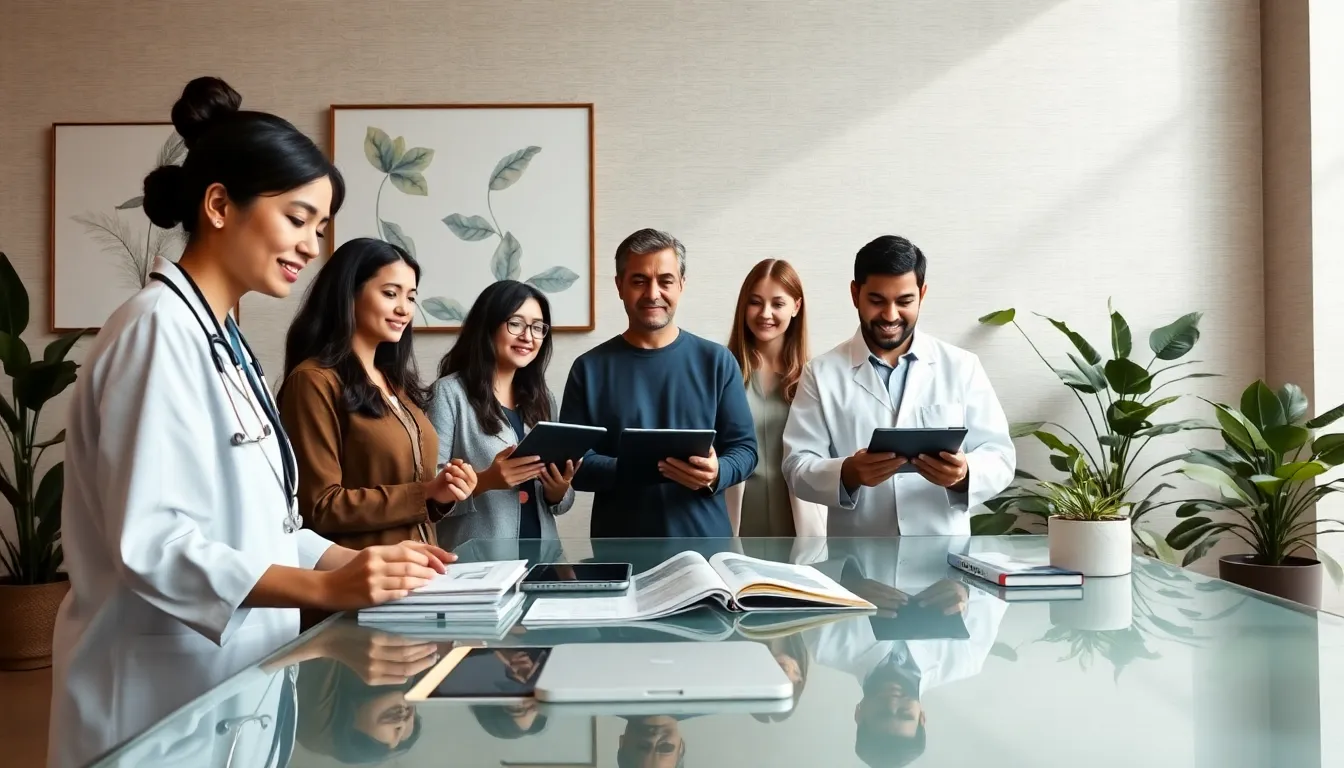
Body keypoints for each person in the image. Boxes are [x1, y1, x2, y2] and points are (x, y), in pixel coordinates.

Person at [48, 76, 453, 768]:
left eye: (319, 230)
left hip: (230, 683)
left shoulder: (225, 343)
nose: (309, 246)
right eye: (297, 219)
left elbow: (271, 528)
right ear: (217, 205)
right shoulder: (156, 332)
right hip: (152, 698)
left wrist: (361, 564)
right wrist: (328, 588)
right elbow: (156, 543)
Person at [782, 235, 1015, 537]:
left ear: (922, 294)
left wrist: (964, 473)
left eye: (904, 301)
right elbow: (796, 467)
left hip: (944, 559)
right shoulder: (822, 373)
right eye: (877, 301)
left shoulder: (961, 366)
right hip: (858, 562)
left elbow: (1000, 455)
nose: (890, 315)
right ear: (855, 294)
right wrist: (848, 473)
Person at [278, 237, 478, 551]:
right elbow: (319, 506)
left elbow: (413, 499)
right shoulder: (314, 381)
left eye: (411, 298)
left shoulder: (395, 383)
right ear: (349, 294)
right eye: (390, 293)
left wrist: (442, 493)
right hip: (359, 582)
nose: (404, 309)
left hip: (417, 576)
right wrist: (424, 492)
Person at [559, 228, 758, 539]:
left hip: (705, 550)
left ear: (681, 285)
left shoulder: (717, 362)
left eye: (665, 281)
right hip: (618, 553)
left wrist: (718, 472)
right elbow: (574, 466)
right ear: (619, 286)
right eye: (639, 281)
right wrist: (642, 467)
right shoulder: (589, 368)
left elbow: (745, 450)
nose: (653, 293)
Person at [799, 536, 1008, 768]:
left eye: (882, 714)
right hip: (942, 520)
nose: (893, 704)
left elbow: (799, 569)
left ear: (859, 714)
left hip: (862, 519)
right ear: (922, 717)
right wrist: (966, 588)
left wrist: (845, 585)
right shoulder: (966, 659)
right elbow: (1000, 563)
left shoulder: (825, 645)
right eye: (904, 715)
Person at [426, 280, 576, 553]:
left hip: (544, 562)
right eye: (516, 323)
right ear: (488, 325)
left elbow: (561, 502)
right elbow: (428, 497)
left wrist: (559, 491)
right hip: (479, 566)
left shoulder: (544, 399)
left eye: (537, 327)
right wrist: (486, 481)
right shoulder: (449, 393)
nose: (528, 337)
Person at [723, 258, 827, 538]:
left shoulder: (814, 378)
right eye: (755, 302)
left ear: (796, 306)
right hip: (737, 517)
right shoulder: (724, 373)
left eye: (777, 304)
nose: (765, 313)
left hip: (796, 519)